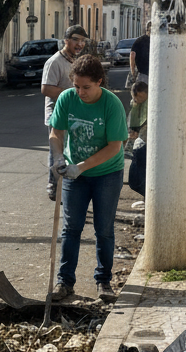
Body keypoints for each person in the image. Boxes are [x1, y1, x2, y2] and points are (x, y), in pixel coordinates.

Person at [49, 54, 129, 303]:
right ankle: (65, 282)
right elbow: (56, 132)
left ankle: (103, 281)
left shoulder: (111, 104)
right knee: (71, 228)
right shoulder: (66, 98)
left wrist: (81, 166)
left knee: (103, 229)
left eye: (86, 87)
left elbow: (114, 146)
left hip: (106, 173)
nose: (80, 92)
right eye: (76, 86)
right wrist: (59, 157)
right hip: (75, 174)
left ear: (99, 82)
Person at [40, 24, 88, 200]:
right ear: (66, 40)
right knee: (57, 153)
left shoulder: (75, 60)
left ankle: (68, 186)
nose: (79, 44)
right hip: (57, 116)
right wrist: (70, 95)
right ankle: (54, 187)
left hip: (74, 115)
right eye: (76, 39)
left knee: (71, 152)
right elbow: (46, 89)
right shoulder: (55, 62)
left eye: (82, 41)